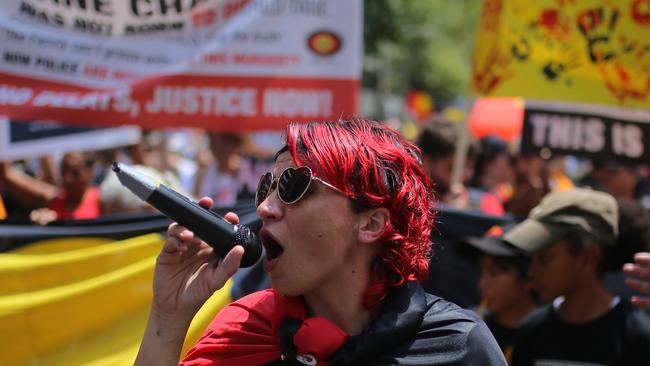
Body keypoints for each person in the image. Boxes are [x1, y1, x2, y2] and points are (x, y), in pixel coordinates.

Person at [134, 118, 506, 365]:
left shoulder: (457, 347)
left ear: (372, 223)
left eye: (294, 187)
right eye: (268, 187)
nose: (264, 208)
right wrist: (169, 314)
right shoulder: (242, 333)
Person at [502, 188, 650, 365]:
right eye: (532, 258)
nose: (532, 271)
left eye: (545, 258)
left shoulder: (636, 335)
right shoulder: (532, 329)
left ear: (589, 257)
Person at [459, 224, 537, 363]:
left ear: (529, 276)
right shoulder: (466, 328)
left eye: (494, 273)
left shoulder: (548, 333)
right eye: (481, 271)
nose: (482, 284)